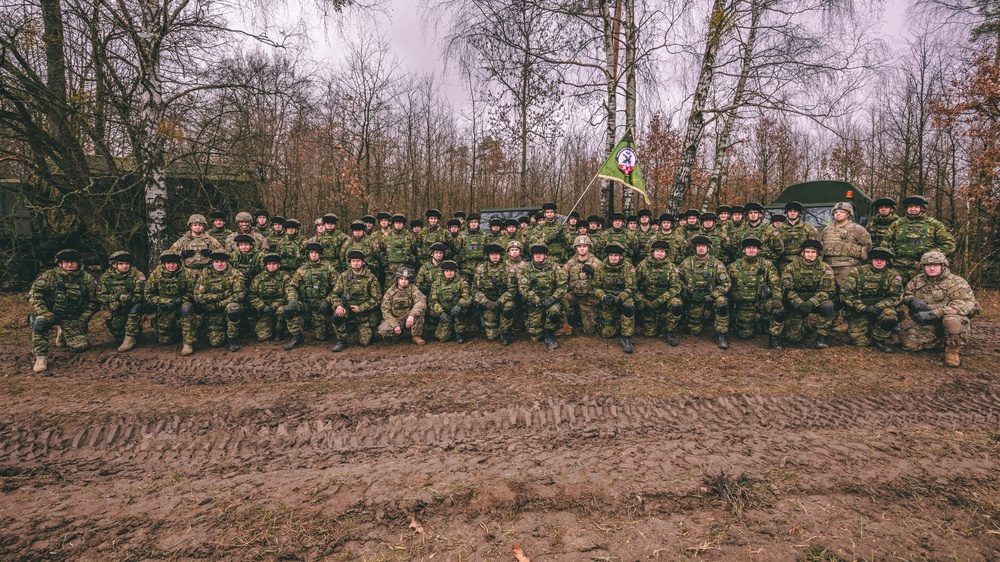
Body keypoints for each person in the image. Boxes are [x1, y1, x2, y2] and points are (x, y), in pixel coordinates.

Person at [901, 251, 979, 367]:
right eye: (928, 265)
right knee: (908, 344)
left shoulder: (956, 282)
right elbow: (904, 294)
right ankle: (940, 338)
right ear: (923, 267)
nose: (931, 268)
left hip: (949, 318)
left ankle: (952, 350)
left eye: (935, 265)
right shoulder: (918, 280)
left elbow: (964, 304)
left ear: (943, 266)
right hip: (930, 323)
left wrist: (934, 313)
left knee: (950, 320)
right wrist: (912, 299)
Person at [28, 249, 99, 372]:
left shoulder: (87, 279)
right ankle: (41, 357)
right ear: (60, 263)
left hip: (72, 318)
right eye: (66, 262)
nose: (69, 265)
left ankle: (62, 332)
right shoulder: (50, 275)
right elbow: (34, 293)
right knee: (39, 324)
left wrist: (83, 319)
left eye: (73, 262)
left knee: (80, 347)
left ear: (78, 263)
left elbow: (94, 301)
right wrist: (43, 311)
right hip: (50, 314)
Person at [819, 201, 872, 333]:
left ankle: (848, 320)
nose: (838, 214)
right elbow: (821, 247)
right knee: (832, 293)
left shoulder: (857, 229)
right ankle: (834, 318)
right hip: (829, 266)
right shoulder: (827, 229)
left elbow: (868, 246)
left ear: (848, 214)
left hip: (848, 266)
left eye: (841, 212)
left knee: (847, 294)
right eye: (835, 212)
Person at [840, 247, 904, 353]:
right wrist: (862, 307)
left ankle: (879, 339)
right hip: (860, 310)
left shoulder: (893, 275)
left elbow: (897, 296)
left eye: (882, 259)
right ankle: (868, 329)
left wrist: (879, 306)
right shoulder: (857, 271)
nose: (879, 262)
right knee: (861, 343)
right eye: (876, 259)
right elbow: (845, 293)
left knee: (890, 316)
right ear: (871, 260)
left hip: (880, 309)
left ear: (887, 261)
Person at [727, 238, 784, 349]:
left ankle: (774, 338)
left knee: (778, 310)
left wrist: (777, 297)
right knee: (745, 335)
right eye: (749, 248)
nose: (751, 250)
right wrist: (731, 293)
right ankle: (740, 321)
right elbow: (725, 284)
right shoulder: (733, 266)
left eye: (754, 248)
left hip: (762, 302)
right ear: (743, 250)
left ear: (759, 250)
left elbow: (775, 283)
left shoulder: (767, 265)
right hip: (744, 304)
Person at [883, 195, 957, 278]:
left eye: (916, 206)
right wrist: (892, 256)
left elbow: (949, 245)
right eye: (910, 206)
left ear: (923, 208)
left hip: (924, 270)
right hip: (897, 269)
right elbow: (885, 244)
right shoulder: (897, 224)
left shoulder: (935, 225)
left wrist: (930, 254)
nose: (913, 209)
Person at [781, 239, 837, 349]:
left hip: (817, 302)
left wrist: (811, 302)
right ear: (802, 253)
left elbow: (827, 290)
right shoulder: (791, 267)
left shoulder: (825, 268)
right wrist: (799, 303)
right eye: (807, 252)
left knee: (828, 306)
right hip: (797, 302)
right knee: (793, 338)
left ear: (818, 254)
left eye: (813, 252)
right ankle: (804, 324)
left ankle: (822, 337)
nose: (810, 255)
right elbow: (788, 290)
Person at [678, 235, 731, 349]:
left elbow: (726, 284)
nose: (700, 248)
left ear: (708, 248)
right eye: (698, 246)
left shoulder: (717, 264)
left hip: (710, 298)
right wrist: (683, 287)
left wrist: (713, 296)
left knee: (722, 303)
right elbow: (676, 278)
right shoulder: (686, 263)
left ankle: (721, 334)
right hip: (694, 300)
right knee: (694, 330)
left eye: (703, 246)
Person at [284, 242, 337, 349]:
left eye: (316, 253)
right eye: (312, 253)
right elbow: (292, 286)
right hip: (305, 303)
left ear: (320, 254)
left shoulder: (329, 269)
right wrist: (292, 299)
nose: (314, 255)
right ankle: (297, 337)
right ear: (308, 254)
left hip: (321, 305)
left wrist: (327, 301)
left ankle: (325, 324)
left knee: (321, 337)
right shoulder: (301, 270)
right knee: (289, 308)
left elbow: (337, 288)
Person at [144, 250, 196, 355]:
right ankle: (160, 324)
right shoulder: (156, 274)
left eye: (174, 263)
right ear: (164, 264)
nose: (171, 265)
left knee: (187, 308)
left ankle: (188, 343)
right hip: (165, 307)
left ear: (178, 263)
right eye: (168, 263)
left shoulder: (187, 273)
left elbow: (192, 292)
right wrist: (164, 301)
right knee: (166, 341)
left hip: (181, 304)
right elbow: (148, 294)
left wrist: (181, 300)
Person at [192, 251, 245, 352]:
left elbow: (239, 294)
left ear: (227, 262)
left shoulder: (235, 273)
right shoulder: (205, 274)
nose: (219, 264)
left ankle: (233, 339)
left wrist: (219, 304)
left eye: (222, 261)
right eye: (216, 261)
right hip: (212, 311)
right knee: (216, 343)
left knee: (233, 308)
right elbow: (198, 296)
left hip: (227, 307)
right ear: (212, 263)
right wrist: (219, 297)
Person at [329, 251, 383, 352]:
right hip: (348, 308)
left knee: (365, 342)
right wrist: (338, 306)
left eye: (358, 261)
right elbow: (335, 293)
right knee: (337, 317)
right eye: (353, 261)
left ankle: (360, 327)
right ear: (350, 263)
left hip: (364, 312)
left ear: (363, 262)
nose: (356, 263)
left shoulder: (370, 277)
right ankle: (342, 340)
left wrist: (361, 308)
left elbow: (377, 298)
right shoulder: (344, 276)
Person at [518, 244, 568, 349]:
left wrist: (553, 298)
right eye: (536, 254)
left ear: (545, 255)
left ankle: (549, 334)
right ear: (532, 255)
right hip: (535, 302)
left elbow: (562, 285)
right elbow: (524, 288)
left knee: (554, 312)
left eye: (540, 254)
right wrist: (537, 301)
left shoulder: (554, 267)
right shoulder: (526, 268)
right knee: (535, 337)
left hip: (551, 301)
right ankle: (528, 321)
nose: (538, 256)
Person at [97, 251, 147, 352]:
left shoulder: (137, 275)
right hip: (117, 308)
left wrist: (129, 299)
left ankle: (130, 337)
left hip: (133, 306)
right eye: (121, 264)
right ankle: (128, 330)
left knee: (135, 309)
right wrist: (113, 301)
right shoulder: (105, 277)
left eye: (127, 264)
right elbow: (100, 296)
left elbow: (141, 294)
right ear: (114, 264)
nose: (124, 266)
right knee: (118, 337)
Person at [636, 239, 683, 346]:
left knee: (677, 304)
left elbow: (675, 287)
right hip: (648, 301)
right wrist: (644, 301)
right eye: (657, 251)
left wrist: (659, 300)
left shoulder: (671, 267)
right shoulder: (643, 265)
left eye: (662, 252)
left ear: (666, 253)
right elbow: (634, 285)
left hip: (664, 300)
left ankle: (669, 330)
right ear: (652, 252)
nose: (659, 254)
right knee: (649, 333)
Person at [594, 244, 637, 353]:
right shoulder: (600, 267)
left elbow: (631, 287)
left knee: (629, 306)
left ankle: (626, 336)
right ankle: (617, 323)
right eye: (611, 255)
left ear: (621, 256)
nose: (613, 258)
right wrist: (603, 297)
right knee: (607, 334)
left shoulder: (628, 267)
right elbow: (596, 287)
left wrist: (620, 298)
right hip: (608, 298)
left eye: (616, 256)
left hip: (623, 296)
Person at [473, 244, 517, 345]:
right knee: (491, 336)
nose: (495, 256)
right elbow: (475, 290)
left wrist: (499, 301)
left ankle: (505, 332)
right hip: (488, 301)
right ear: (488, 256)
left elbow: (512, 290)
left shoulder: (508, 269)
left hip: (503, 300)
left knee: (508, 309)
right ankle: (488, 321)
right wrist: (486, 302)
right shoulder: (481, 269)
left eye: (497, 254)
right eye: (492, 254)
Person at [561, 235, 603, 335]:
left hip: (589, 299)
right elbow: (561, 278)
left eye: (584, 246)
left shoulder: (596, 263)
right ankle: (564, 326)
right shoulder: (570, 263)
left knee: (590, 331)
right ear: (576, 248)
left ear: (588, 247)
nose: (582, 249)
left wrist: (594, 273)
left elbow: (605, 280)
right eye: (579, 246)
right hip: (574, 296)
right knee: (559, 300)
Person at [248, 253, 290, 342]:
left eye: (274, 264)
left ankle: (280, 331)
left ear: (279, 265)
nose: (271, 266)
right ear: (266, 265)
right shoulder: (258, 278)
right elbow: (252, 295)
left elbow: (288, 294)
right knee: (263, 337)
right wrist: (261, 306)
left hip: (279, 306)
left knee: (282, 311)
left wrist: (275, 305)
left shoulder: (284, 277)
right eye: (269, 264)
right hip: (264, 309)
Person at [379, 266, 426, 345]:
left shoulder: (413, 289)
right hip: (396, 318)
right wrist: (395, 325)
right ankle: (397, 334)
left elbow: (421, 301)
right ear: (397, 279)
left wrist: (412, 315)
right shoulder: (390, 292)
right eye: (401, 279)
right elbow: (385, 310)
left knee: (420, 312)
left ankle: (416, 336)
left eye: (406, 279)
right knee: (383, 330)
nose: (404, 281)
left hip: (409, 317)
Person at [430, 260, 472, 343]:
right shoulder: (436, 284)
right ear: (443, 272)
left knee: (462, 313)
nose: (449, 273)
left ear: (455, 272)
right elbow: (433, 301)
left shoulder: (461, 282)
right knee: (442, 337)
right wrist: (440, 313)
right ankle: (448, 328)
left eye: (452, 271)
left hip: (457, 310)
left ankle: (459, 333)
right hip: (444, 311)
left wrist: (459, 305)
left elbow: (467, 297)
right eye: (447, 271)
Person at [777, 201, 819, 272]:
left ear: (799, 213)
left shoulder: (808, 228)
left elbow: (816, 248)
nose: (792, 213)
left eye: (795, 211)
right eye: (790, 211)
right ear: (787, 213)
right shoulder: (779, 229)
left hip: (803, 263)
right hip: (783, 264)